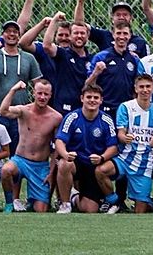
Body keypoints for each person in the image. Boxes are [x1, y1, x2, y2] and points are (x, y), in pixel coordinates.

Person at [94, 74, 153, 214]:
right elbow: (120, 133)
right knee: (100, 171)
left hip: (145, 163)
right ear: (136, 89)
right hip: (125, 158)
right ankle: (114, 201)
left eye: (148, 87)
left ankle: (148, 202)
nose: (145, 90)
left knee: (140, 211)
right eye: (141, 87)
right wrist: (124, 138)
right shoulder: (126, 107)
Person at [0, 19, 43, 156]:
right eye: (8, 32)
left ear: (19, 35)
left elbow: (38, 83)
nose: (11, 34)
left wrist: (35, 106)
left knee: (18, 153)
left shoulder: (28, 58)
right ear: (2, 35)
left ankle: (16, 177)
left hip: (20, 114)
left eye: (15, 32)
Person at [0, 79, 63, 213]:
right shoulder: (24, 110)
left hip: (40, 165)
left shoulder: (56, 117)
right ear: (33, 93)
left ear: (50, 95)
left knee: (41, 210)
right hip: (20, 160)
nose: (42, 97)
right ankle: (10, 203)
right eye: (39, 93)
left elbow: (56, 147)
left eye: (46, 94)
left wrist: (51, 172)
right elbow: (3, 111)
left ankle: (31, 201)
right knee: (6, 170)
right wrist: (13, 90)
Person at [54, 84, 119, 214]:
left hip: (94, 166)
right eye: (89, 97)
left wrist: (102, 157)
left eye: (96, 97)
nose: (92, 100)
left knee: (90, 209)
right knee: (64, 164)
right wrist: (66, 154)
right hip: (76, 162)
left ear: (101, 100)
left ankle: (73, 197)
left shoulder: (106, 120)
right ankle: (65, 204)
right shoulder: (72, 117)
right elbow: (59, 141)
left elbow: (114, 147)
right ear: (82, 98)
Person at [85, 21, 144, 117]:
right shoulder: (101, 57)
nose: (121, 37)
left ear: (130, 36)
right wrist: (95, 73)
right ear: (113, 35)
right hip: (105, 109)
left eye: (125, 33)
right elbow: (87, 85)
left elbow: (137, 87)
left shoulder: (134, 59)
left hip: (126, 110)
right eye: (118, 33)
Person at [74, 0, 148, 57]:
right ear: (112, 18)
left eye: (125, 15)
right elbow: (80, 25)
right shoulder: (103, 36)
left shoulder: (139, 42)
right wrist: (80, 2)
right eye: (118, 15)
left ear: (131, 18)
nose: (121, 17)